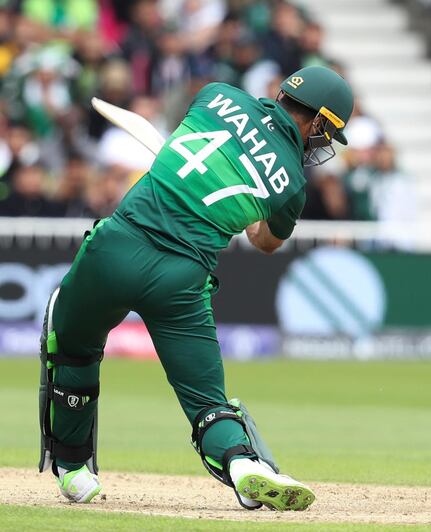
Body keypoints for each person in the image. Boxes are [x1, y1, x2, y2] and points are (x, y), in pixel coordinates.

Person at [37, 65, 353, 509]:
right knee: (207, 402)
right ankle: (244, 466)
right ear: (318, 121)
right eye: (326, 134)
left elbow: (194, 153)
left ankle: (73, 471)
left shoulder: (216, 94)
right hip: (181, 279)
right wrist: (253, 209)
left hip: (115, 249)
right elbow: (265, 242)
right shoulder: (292, 186)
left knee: (71, 347)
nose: (321, 145)